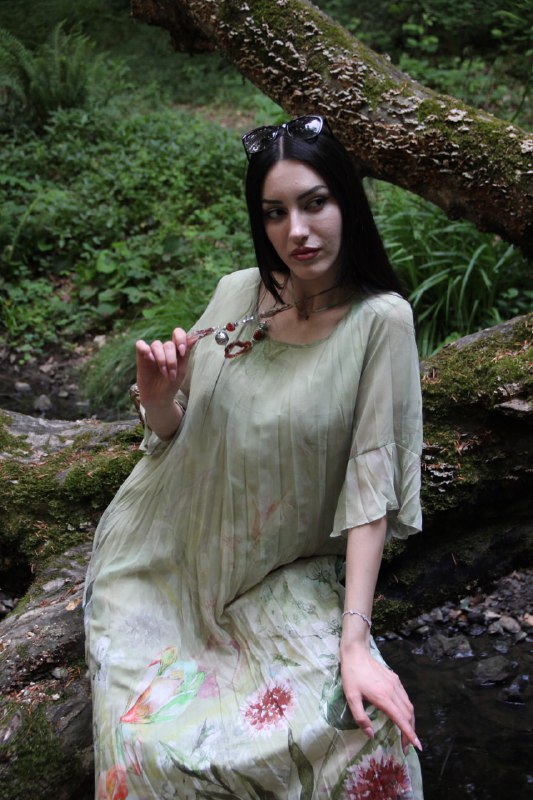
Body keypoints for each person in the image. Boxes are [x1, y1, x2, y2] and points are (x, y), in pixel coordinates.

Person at [84, 114, 424, 800]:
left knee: (365, 729)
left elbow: (372, 484)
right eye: (275, 212)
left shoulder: (380, 322)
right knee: (143, 745)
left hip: (284, 572)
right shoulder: (239, 294)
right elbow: (174, 434)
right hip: (166, 557)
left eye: (314, 203)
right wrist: (159, 399)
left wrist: (354, 645)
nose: (296, 230)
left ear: (347, 203)